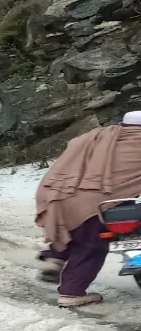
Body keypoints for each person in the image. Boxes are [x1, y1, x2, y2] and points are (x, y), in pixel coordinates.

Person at [35, 111, 141, 307]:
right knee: (90, 245)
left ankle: (56, 256)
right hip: (99, 202)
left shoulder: (98, 137)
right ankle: (71, 294)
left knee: (73, 227)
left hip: (60, 193)